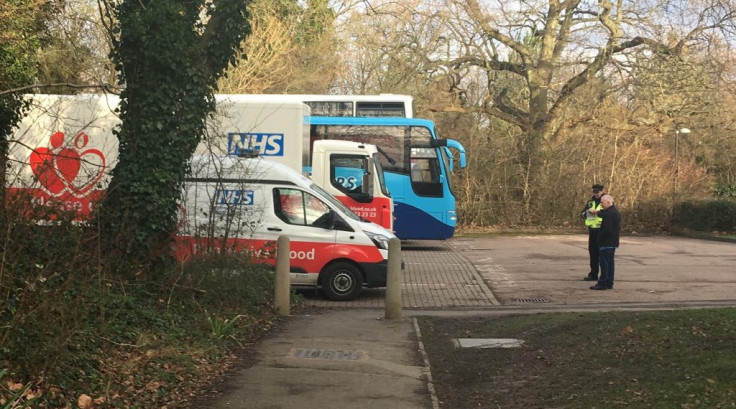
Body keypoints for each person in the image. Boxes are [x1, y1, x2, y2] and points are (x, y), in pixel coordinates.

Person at [589, 194, 621, 290]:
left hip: (606, 242)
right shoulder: (613, 212)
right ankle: (609, 282)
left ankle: (602, 283)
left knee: (604, 264)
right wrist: (597, 212)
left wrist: (599, 238)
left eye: (602, 202)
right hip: (612, 242)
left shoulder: (610, 214)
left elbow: (607, 230)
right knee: (610, 263)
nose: (601, 204)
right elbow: (604, 214)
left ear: (608, 202)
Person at [581, 184, 605, 281]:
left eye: (598, 192)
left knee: (602, 254)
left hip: (602, 231)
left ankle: (604, 275)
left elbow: (610, 215)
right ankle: (593, 274)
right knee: (593, 253)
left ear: (602, 191)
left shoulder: (606, 202)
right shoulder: (590, 202)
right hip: (592, 231)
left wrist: (597, 213)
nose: (596, 194)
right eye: (594, 192)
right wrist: (586, 213)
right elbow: (582, 213)